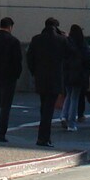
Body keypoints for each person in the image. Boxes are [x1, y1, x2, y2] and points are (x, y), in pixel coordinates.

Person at [28, 16, 68, 146]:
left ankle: (44, 136)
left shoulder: (36, 39)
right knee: (48, 110)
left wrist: (35, 72)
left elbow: (30, 59)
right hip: (55, 79)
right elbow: (70, 54)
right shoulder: (61, 40)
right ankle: (44, 137)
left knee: (44, 106)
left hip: (41, 78)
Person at [62, 23, 90, 131]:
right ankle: (71, 123)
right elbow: (88, 60)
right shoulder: (82, 45)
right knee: (75, 98)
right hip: (78, 74)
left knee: (68, 95)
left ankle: (63, 116)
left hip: (67, 73)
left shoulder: (67, 43)